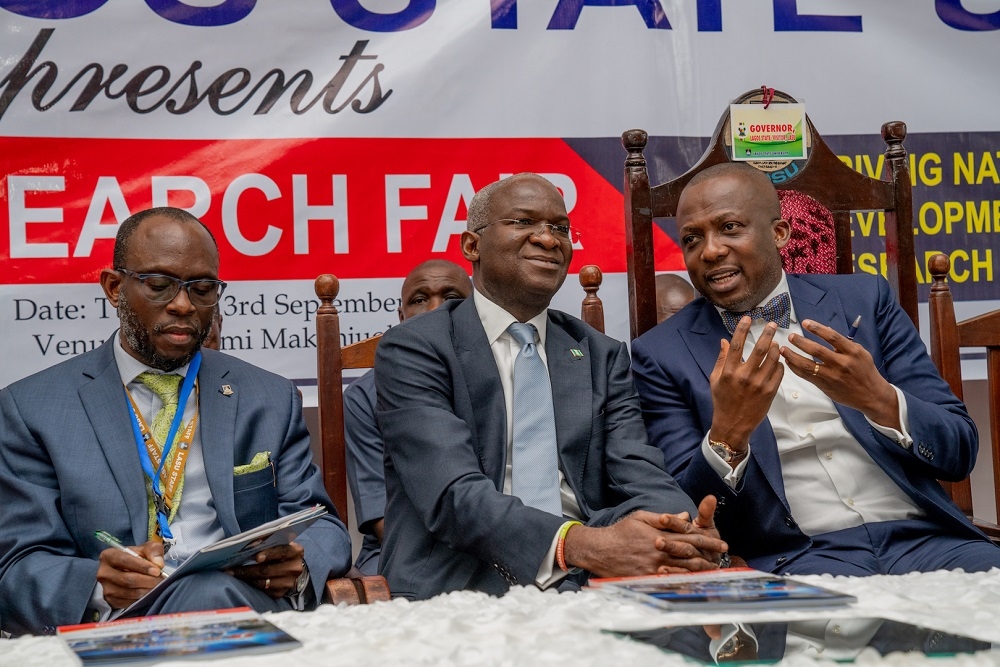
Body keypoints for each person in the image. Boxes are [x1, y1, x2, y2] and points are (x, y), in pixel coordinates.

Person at [631, 163, 1000, 576]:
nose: (711, 250)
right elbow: (687, 511)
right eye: (692, 239)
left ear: (779, 233)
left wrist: (878, 398)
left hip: (930, 543)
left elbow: (959, 452)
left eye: (730, 227)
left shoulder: (865, 301)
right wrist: (727, 435)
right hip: (800, 559)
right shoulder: (660, 355)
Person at [374, 173, 727, 601]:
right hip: (460, 582)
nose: (547, 239)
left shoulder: (599, 353)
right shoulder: (416, 347)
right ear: (472, 246)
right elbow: (452, 495)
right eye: (524, 222)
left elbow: (641, 472)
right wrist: (581, 546)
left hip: (595, 583)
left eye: (560, 228)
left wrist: (681, 531)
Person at [0, 207, 352, 637]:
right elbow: (17, 565)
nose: (183, 304)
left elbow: (323, 524)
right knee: (206, 595)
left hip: (246, 602)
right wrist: (95, 584)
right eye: (159, 285)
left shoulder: (267, 397)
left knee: (209, 592)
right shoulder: (32, 407)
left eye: (203, 289)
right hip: (112, 629)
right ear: (114, 287)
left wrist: (297, 563)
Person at [344, 259, 472, 575]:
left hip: (490, 546)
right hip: (405, 552)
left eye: (453, 299)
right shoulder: (363, 397)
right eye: (419, 300)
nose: (435, 310)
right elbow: (382, 521)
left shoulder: (502, 378)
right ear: (401, 318)